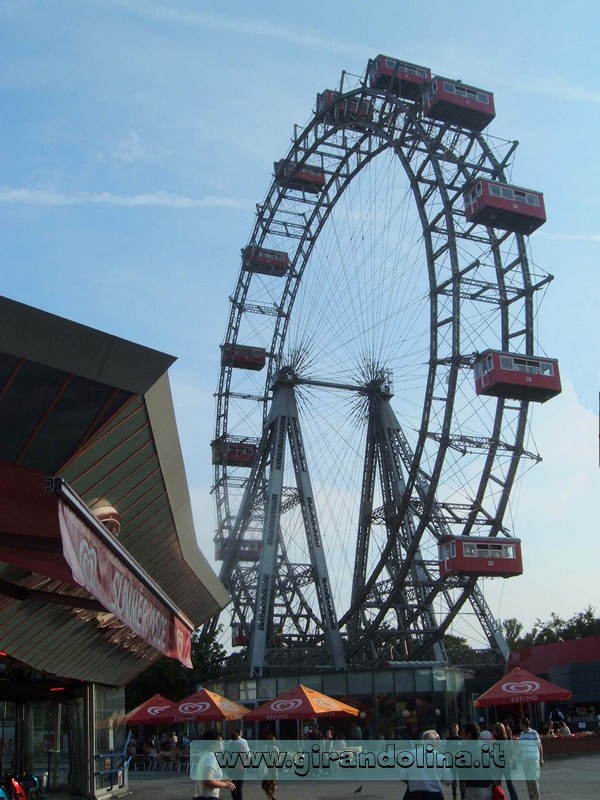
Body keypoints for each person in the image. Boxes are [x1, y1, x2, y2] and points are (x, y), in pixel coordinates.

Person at [404, 729, 451, 800]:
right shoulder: (440, 757)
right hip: (434, 795)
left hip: (414, 795)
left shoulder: (411, 755)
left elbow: (403, 776)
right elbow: (448, 780)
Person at [191, 730, 236, 800]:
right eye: (220, 741)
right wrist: (225, 784)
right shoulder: (212, 757)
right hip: (208, 797)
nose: (223, 743)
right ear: (211, 744)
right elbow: (207, 781)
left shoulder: (205, 756)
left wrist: (221, 780)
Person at [461, 722, 494, 800]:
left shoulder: (466, 751)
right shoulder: (489, 748)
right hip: (489, 788)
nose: (461, 736)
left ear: (469, 735)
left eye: (462, 734)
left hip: (474, 789)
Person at [492, 721, 519, 800]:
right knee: (507, 782)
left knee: (501, 782)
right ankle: (512, 798)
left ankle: (501, 797)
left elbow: (500, 751)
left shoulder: (502, 739)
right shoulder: (504, 738)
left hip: (502, 762)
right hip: (505, 762)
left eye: (494, 730)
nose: (493, 732)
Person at [518, 717, 543, 800]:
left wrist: (541, 759)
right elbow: (520, 747)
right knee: (528, 781)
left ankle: (536, 798)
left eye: (520, 723)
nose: (519, 725)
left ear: (524, 724)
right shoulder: (521, 735)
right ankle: (531, 797)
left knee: (533, 779)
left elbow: (539, 746)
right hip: (525, 759)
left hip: (533, 758)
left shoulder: (534, 733)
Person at [446, 722, 465, 800]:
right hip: (452, 760)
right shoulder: (449, 739)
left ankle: (463, 795)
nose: (455, 729)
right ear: (451, 729)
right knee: (453, 779)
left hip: (460, 760)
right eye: (453, 728)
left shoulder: (461, 738)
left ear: (458, 729)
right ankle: (454, 794)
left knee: (462, 779)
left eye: (456, 728)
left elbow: (464, 749)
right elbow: (446, 749)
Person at [226, 730, 248, 800]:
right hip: (240, 767)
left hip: (231, 767)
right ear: (238, 737)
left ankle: (234, 798)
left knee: (233, 785)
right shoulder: (242, 744)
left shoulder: (228, 744)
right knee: (239, 786)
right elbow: (245, 756)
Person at [261, 734, 279, 800]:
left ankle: (271, 796)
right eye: (273, 740)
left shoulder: (274, 748)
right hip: (270, 767)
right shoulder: (266, 748)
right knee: (268, 784)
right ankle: (271, 795)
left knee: (270, 784)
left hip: (271, 767)